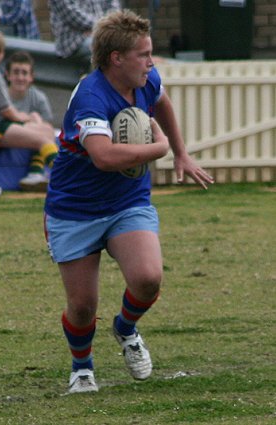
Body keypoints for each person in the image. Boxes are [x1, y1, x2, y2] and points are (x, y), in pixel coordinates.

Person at [44, 9, 213, 394]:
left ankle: (125, 329)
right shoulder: (90, 97)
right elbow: (103, 157)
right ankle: (82, 368)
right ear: (116, 58)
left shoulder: (146, 79)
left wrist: (182, 153)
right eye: (143, 54)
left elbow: (163, 102)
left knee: (148, 278)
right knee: (83, 305)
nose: (152, 63)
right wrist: (161, 149)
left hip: (127, 201)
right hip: (75, 208)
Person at [0, 29, 57, 190]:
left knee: (46, 130)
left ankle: (34, 174)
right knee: (42, 139)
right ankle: (66, 177)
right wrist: (27, 118)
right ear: (0, 53)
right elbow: (7, 112)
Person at [5, 50, 54, 190]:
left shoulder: (39, 97)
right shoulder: (0, 94)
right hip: (2, 135)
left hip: (28, 138)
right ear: (7, 75)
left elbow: (49, 129)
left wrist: (35, 123)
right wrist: (29, 121)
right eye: (16, 72)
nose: (20, 77)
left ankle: (36, 174)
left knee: (46, 130)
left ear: (32, 77)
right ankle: (39, 172)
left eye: (24, 73)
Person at [48, 0, 121, 74]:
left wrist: (106, 28)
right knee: (103, 49)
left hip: (102, 32)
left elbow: (113, 6)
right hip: (74, 38)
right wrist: (101, 28)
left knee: (125, 46)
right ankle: (96, 84)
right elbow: (71, 14)